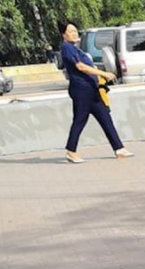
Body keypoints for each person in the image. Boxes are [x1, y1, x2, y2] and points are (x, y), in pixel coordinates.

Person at [59, 21, 132, 163]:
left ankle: (119, 148)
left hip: (92, 89)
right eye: (70, 31)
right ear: (64, 35)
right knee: (80, 120)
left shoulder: (75, 48)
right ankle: (71, 151)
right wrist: (103, 74)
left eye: (75, 31)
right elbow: (81, 67)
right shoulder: (67, 47)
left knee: (105, 117)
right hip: (81, 91)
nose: (74, 34)